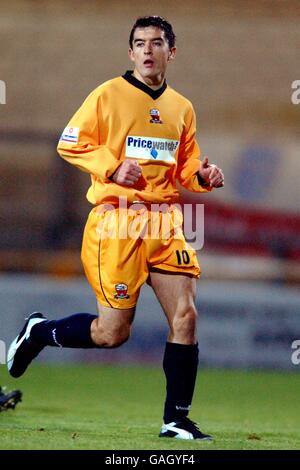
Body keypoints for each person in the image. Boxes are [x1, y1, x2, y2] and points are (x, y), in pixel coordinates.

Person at [7, 16, 224, 440]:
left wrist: (206, 175)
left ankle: (175, 420)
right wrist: (111, 167)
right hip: (116, 223)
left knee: (186, 316)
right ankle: (39, 331)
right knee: (112, 334)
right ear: (130, 52)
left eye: (156, 43)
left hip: (164, 224)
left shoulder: (182, 107)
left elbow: (186, 168)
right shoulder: (108, 94)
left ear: (171, 52)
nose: (147, 50)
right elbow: (70, 141)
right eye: (139, 43)